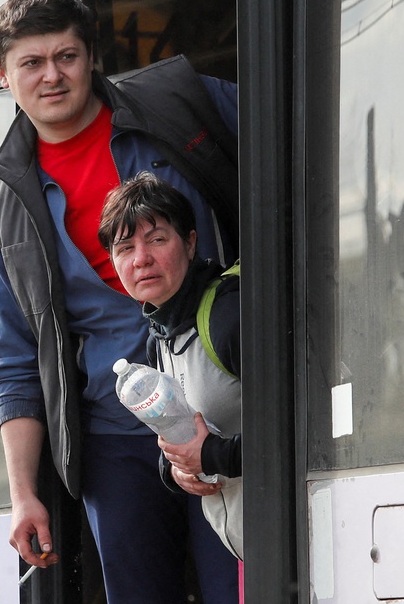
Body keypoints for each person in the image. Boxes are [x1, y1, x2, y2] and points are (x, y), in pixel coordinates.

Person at [0, 0, 239, 603]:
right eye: (32, 63)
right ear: (3, 74)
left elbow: (295, 139)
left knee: (240, 587)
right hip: (113, 441)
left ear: (91, 57)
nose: (52, 76)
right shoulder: (5, 197)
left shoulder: (177, 105)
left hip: (224, 413)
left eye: (66, 56)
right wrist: (23, 493)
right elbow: (13, 359)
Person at [98, 172, 243, 562]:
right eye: (125, 248)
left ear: (191, 243)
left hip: (300, 537)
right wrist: (176, 471)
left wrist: (215, 458)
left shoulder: (229, 316)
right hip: (253, 554)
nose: (141, 258)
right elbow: (185, 436)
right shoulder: (159, 338)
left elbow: (305, 429)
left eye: (157, 239)